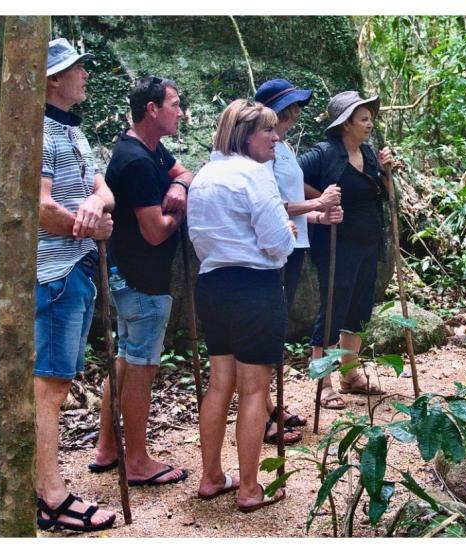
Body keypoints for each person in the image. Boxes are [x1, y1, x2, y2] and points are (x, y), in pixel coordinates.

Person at [188, 99, 297, 512]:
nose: (275, 137)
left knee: (220, 384)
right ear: (246, 136)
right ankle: (250, 487)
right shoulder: (255, 175)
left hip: (213, 284)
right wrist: (286, 232)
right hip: (253, 287)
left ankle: (211, 475)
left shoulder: (204, 175)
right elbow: (276, 242)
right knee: (254, 388)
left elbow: (200, 237)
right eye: (267, 131)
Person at [91, 76, 191, 487]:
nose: (180, 112)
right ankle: (137, 460)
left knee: (126, 362)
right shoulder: (133, 160)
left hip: (130, 276)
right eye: (174, 104)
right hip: (141, 279)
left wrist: (181, 187)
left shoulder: (149, 147)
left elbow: (183, 171)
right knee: (142, 368)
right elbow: (154, 230)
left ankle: (106, 448)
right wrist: (179, 215)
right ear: (152, 109)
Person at [35, 37, 117, 532]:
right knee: (51, 383)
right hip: (54, 272)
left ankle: (46, 486)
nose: (84, 74)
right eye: (75, 69)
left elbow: (99, 185)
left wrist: (97, 205)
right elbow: (39, 208)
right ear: (52, 80)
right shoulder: (40, 132)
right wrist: (91, 224)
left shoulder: (73, 131)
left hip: (78, 267)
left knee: (58, 381)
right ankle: (51, 494)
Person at [254, 78, 343, 441]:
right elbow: (271, 203)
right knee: (265, 329)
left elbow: (292, 198)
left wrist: (319, 216)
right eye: (287, 106)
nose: (294, 112)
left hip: (295, 245)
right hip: (275, 247)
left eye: (296, 106)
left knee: (275, 325)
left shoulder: (284, 148)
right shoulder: (261, 153)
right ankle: (259, 413)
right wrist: (316, 204)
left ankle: (269, 404)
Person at [299, 90, 394, 410]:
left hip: (367, 243)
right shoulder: (324, 153)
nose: (370, 124)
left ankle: (350, 376)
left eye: (370, 119)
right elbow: (290, 178)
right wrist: (320, 199)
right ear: (345, 124)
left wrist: (385, 172)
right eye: (363, 119)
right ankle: (323, 382)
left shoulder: (367, 153)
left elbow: (381, 194)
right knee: (332, 308)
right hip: (336, 245)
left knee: (359, 308)